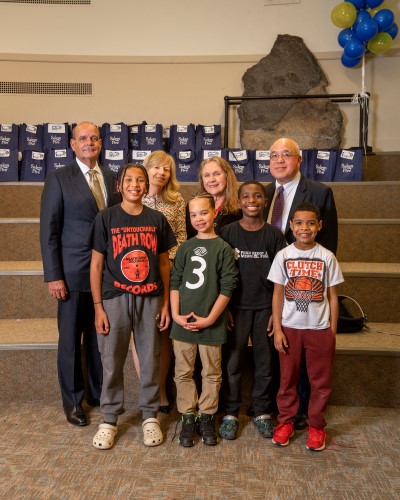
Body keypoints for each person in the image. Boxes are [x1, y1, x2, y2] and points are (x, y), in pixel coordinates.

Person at [87, 164, 177, 450]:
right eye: (129, 180)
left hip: (150, 298)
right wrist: (98, 307)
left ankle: (150, 415)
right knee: (111, 359)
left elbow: (164, 263)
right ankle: (109, 418)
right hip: (114, 298)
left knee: (151, 357)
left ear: (146, 183)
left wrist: (164, 303)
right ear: (119, 185)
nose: (135, 184)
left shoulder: (157, 219)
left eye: (140, 179)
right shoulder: (106, 218)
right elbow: (97, 264)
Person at [40, 121, 121, 427]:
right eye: (83, 138)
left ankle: (98, 394)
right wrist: (54, 275)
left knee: (101, 339)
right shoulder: (59, 179)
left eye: (95, 138)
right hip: (72, 275)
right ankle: (74, 402)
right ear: (72, 144)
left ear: (101, 143)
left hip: (106, 276)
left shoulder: (113, 178)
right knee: (72, 341)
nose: (89, 142)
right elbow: (49, 231)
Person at [264, 137, 338, 430]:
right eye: (273, 156)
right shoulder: (264, 193)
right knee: (281, 360)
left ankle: (307, 416)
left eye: (286, 155)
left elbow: (329, 243)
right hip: (272, 286)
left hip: (305, 289)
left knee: (308, 367)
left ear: (299, 160)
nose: (279, 160)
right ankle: (280, 412)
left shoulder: (320, 192)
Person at [268, 202, 344, 451]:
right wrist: (278, 328)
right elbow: (278, 294)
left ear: (319, 226)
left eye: (311, 223)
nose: (304, 228)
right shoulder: (284, 255)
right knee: (287, 380)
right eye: (299, 223)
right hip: (290, 328)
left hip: (319, 330)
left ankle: (316, 427)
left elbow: (333, 296)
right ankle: (286, 423)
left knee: (320, 383)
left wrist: (331, 331)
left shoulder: (327, 257)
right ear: (291, 226)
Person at [218, 182, 287, 441]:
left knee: (265, 362)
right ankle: (231, 412)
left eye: (257, 196)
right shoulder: (227, 233)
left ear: (265, 201)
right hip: (235, 308)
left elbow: (282, 279)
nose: (252, 200)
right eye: (246, 196)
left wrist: (275, 312)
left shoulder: (274, 236)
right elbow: (218, 275)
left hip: (265, 309)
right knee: (232, 362)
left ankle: (262, 411)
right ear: (238, 200)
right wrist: (223, 309)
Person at [170, 193, 238, 447]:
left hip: (211, 322)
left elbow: (228, 286)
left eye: (203, 213)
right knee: (183, 372)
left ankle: (207, 414)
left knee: (211, 372)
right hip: (183, 321)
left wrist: (210, 319)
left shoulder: (222, 247)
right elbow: (175, 281)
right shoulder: (185, 247)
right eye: (193, 214)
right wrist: (176, 314)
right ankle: (188, 415)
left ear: (214, 214)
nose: (198, 218)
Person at [130, 150, 186, 414]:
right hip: (136, 276)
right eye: (156, 168)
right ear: (146, 169)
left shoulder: (177, 202)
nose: (162, 173)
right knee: (139, 335)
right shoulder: (132, 199)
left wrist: (166, 260)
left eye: (167, 169)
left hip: (166, 273)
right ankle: (147, 391)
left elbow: (182, 240)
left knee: (163, 335)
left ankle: (161, 391)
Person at [186, 156, 240, 238]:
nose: (211, 180)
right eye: (207, 175)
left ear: (227, 176)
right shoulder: (192, 206)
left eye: (217, 174)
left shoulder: (240, 208)